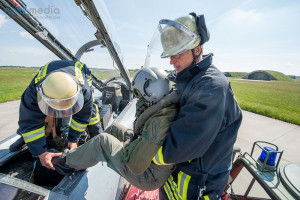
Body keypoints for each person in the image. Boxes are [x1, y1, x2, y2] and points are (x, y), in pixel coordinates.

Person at [148, 13, 243, 199]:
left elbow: (177, 148)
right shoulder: (191, 79)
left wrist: (144, 152)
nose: (171, 61)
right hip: (180, 177)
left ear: (197, 49)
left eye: (177, 53)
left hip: (198, 186)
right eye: (170, 54)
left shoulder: (211, 87)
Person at [52, 67, 179, 191]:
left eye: (139, 94)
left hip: (148, 175)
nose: (139, 99)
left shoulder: (158, 123)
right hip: (147, 157)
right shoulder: (165, 107)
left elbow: (136, 165)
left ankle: (66, 163)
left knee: (102, 141)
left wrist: (127, 147)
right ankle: (82, 156)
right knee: (114, 128)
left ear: (153, 93)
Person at [10, 60, 102, 170]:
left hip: (81, 75)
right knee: (30, 125)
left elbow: (83, 117)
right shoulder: (32, 92)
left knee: (91, 113)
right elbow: (29, 121)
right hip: (48, 81)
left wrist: (73, 140)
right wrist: (41, 153)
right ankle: (24, 137)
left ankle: (98, 138)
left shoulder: (84, 90)